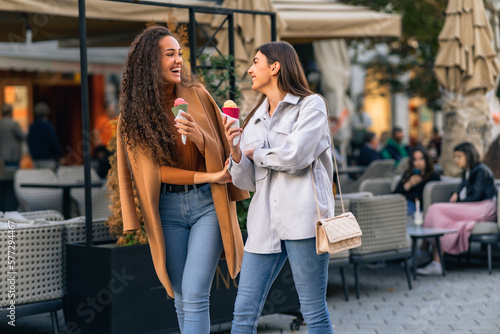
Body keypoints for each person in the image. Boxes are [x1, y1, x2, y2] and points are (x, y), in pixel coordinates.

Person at [117, 26, 248, 333]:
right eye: (169, 54)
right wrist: (209, 173)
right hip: (167, 210)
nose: (178, 60)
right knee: (179, 296)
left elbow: (222, 145)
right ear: (150, 62)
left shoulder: (198, 95)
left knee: (194, 291)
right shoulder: (134, 115)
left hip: (206, 203)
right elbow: (153, 172)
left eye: (179, 53)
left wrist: (201, 138)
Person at [224, 41, 335, 333]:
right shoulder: (253, 120)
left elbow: (296, 156)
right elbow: (247, 181)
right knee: (243, 313)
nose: (249, 69)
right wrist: (235, 152)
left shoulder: (311, 106)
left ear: (275, 67)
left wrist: (255, 153)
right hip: (263, 224)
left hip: (304, 221)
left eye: (256, 61)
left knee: (313, 311)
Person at [416, 142, 497, 276]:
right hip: (474, 206)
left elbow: (476, 196)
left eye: (459, 156)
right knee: (446, 221)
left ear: (468, 155)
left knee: (436, 209)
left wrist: (458, 202)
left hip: (484, 207)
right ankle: (436, 261)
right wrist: (456, 194)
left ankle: (423, 252)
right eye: (455, 157)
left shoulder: (481, 170)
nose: (456, 160)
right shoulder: (468, 170)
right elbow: (462, 188)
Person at [394, 146, 440, 214]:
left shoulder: (433, 176)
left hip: (416, 207)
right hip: (401, 203)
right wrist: (408, 184)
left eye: (421, 159)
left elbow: (428, 198)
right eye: (415, 159)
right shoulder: (409, 173)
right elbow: (395, 193)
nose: (418, 162)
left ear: (426, 160)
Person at [28, 102, 62, 170]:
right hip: (47, 158)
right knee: (48, 179)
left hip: (36, 158)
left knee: (38, 179)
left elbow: (29, 141)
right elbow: (53, 142)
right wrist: (59, 154)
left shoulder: (32, 126)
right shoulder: (48, 126)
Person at [0, 103, 25, 167]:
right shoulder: (13, 124)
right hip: (13, 155)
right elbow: (22, 137)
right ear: (10, 113)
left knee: (4, 175)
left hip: (2, 155)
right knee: (13, 174)